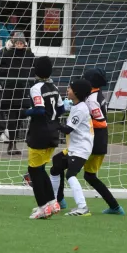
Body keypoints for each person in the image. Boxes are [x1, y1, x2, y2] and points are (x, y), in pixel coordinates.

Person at [55, 68, 124, 215]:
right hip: (91, 141)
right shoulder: (95, 95)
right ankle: (115, 207)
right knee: (59, 163)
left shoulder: (91, 101)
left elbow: (102, 122)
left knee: (84, 175)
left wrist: (85, 120)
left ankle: (68, 203)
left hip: (93, 143)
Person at [24, 56, 64, 219]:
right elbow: (60, 109)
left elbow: (39, 109)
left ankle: (43, 206)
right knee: (40, 169)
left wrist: (26, 112)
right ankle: (52, 202)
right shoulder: (53, 87)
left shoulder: (37, 87)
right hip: (53, 132)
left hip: (40, 133)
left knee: (33, 170)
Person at [48, 79, 94, 217]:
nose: (67, 90)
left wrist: (53, 122)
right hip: (74, 147)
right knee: (56, 165)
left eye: (70, 88)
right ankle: (54, 201)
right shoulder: (77, 105)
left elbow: (67, 129)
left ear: (77, 92)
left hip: (81, 148)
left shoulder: (81, 109)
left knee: (70, 175)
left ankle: (83, 207)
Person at [0, 31, 36, 155]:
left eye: (22, 42)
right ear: (14, 43)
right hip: (10, 91)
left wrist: (31, 85)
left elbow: (34, 70)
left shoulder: (29, 55)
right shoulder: (8, 54)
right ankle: (11, 144)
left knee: (20, 118)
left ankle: (14, 142)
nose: (19, 44)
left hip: (23, 91)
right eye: (17, 42)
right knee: (12, 117)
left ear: (25, 43)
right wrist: (5, 74)